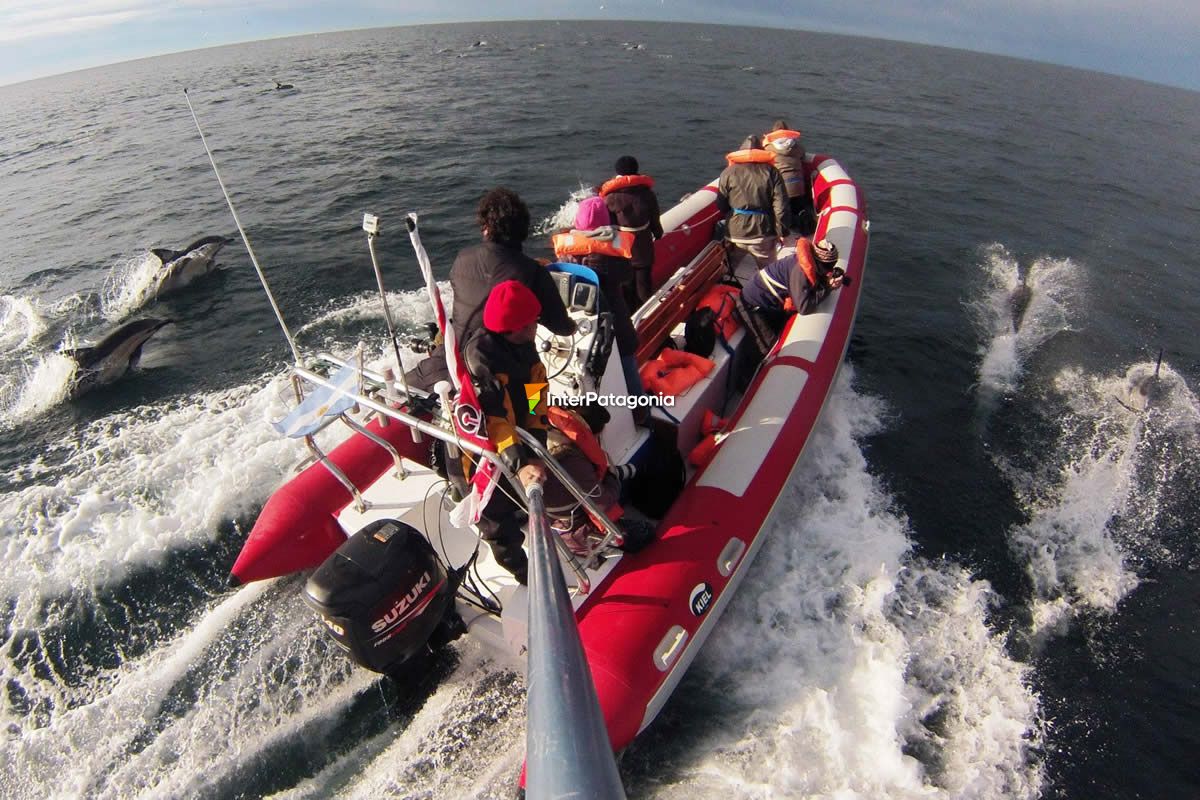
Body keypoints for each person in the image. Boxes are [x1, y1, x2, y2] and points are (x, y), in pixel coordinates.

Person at [407, 187, 576, 392]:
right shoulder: (534, 273)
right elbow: (562, 327)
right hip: (502, 379)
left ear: (486, 227)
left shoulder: (462, 259)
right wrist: (572, 326)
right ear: (523, 229)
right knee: (535, 403)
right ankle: (539, 421)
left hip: (444, 364)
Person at [463, 280, 552, 584]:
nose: (538, 326)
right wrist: (520, 463)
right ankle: (522, 571)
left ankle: (521, 511)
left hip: (516, 431)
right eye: (533, 322)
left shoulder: (522, 344)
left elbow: (536, 392)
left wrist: (537, 447)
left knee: (522, 490)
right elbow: (495, 417)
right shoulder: (482, 360)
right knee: (495, 518)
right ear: (516, 328)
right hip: (485, 448)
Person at [552, 195, 645, 394]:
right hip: (616, 322)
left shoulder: (566, 253)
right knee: (627, 363)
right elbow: (628, 276)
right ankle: (640, 411)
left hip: (582, 327)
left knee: (591, 374)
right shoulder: (615, 254)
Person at [733, 238, 845, 390]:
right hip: (751, 306)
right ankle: (745, 383)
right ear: (819, 263)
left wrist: (825, 281)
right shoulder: (799, 271)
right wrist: (828, 288)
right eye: (827, 268)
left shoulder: (807, 264)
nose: (829, 271)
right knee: (768, 347)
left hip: (768, 305)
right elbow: (804, 307)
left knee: (780, 326)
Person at [716, 136, 790, 270]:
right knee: (769, 273)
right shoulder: (772, 172)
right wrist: (781, 231)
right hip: (762, 234)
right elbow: (781, 208)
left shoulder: (728, 173)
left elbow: (721, 204)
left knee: (728, 270)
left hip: (734, 234)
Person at [601, 156, 663, 306]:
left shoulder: (611, 197)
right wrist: (657, 232)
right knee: (644, 283)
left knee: (626, 284)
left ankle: (630, 314)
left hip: (621, 246)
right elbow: (654, 218)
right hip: (642, 243)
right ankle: (646, 314)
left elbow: (608, 223)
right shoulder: (647, 193)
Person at [762, 120, 813, 234]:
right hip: (799, 187)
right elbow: (803, 155)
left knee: (779, 209)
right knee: (798, 208)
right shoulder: (797, 147)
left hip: (782, 187)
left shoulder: (769, 148)